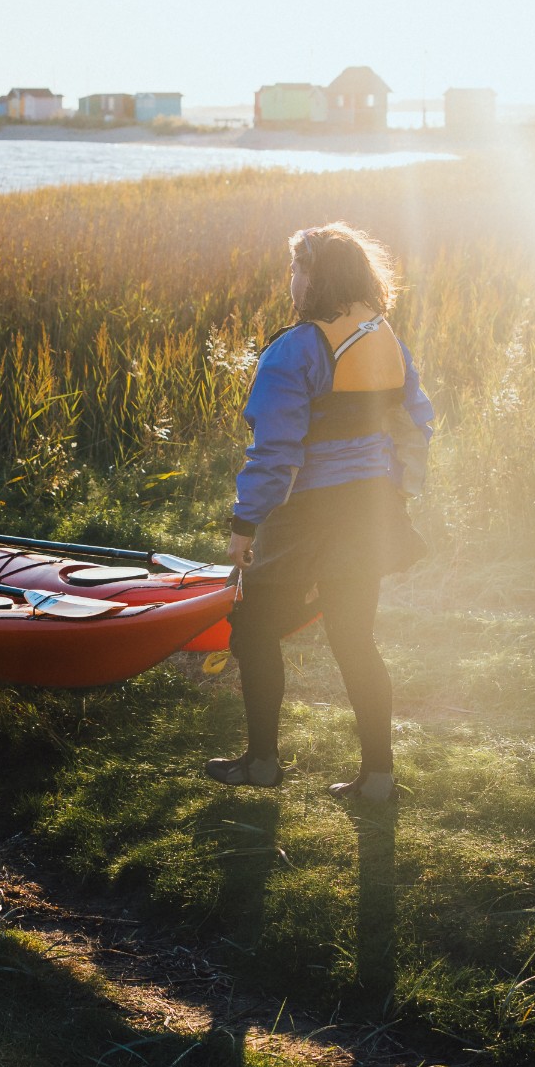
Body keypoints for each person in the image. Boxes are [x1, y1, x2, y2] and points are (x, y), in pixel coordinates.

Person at [206, 222, 433, 803]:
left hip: (306, 514)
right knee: (355, 639)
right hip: (371, 510)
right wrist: (400, 493)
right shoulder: (386, 340)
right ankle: (378, 779)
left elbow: (275, 453)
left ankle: (261, 763)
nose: (291, 280)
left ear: (316, 277)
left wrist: (244, 526)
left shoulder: (295, 349)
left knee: (254, 627)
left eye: (296, 269)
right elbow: (417, 424)